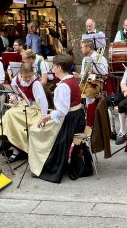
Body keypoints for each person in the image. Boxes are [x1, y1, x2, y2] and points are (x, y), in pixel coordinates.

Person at [28, 54, 86, 183]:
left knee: (35, 131)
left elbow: (62, 111)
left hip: (70, 121)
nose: (52, 68)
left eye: (53, 66)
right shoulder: (71, 81)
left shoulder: (63, 86)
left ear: (59, 67)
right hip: (77, 117)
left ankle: (44, 166)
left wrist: (45, 118)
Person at [0, 62, 48, 161]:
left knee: (11, 114)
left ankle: (13, 148)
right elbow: (14, 94)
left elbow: (42, 101)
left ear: (33, 73)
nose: (27, 78)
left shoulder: (36, 83)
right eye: (25, 76)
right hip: (23, 105)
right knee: (7, 116)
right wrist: (14, 98)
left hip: (36, 109)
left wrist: (44, 117)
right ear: (21, 73)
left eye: (30, 76)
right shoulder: (16, 80)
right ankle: (5, 144)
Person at [74, 40, 108, 109]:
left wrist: (94, 71)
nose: (81, 50)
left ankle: (91, 112)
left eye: (82, 47)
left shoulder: (99, 57)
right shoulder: (85, 59)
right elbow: (84, 75)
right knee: (74, 90)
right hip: (86, 82)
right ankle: (83, 112)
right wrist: (78, 76)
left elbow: (105, 76)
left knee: (89, 92)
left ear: (88, 48)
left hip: (97, 82)